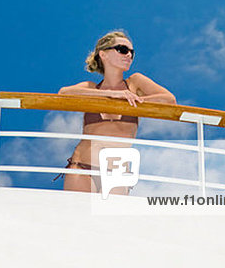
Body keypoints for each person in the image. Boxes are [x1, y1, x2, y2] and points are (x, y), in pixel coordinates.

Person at [57, 30, 176, 194]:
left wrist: (134, 101)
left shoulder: (135, 82)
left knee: (111, 219)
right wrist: (111, 94)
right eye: (122, 49)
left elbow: (169, 100)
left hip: (117, 171)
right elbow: (64, 93)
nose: (129, 55)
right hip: (82, 166)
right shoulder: (91, 88)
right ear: (103, 55)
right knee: (77, 218)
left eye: (132, 52)